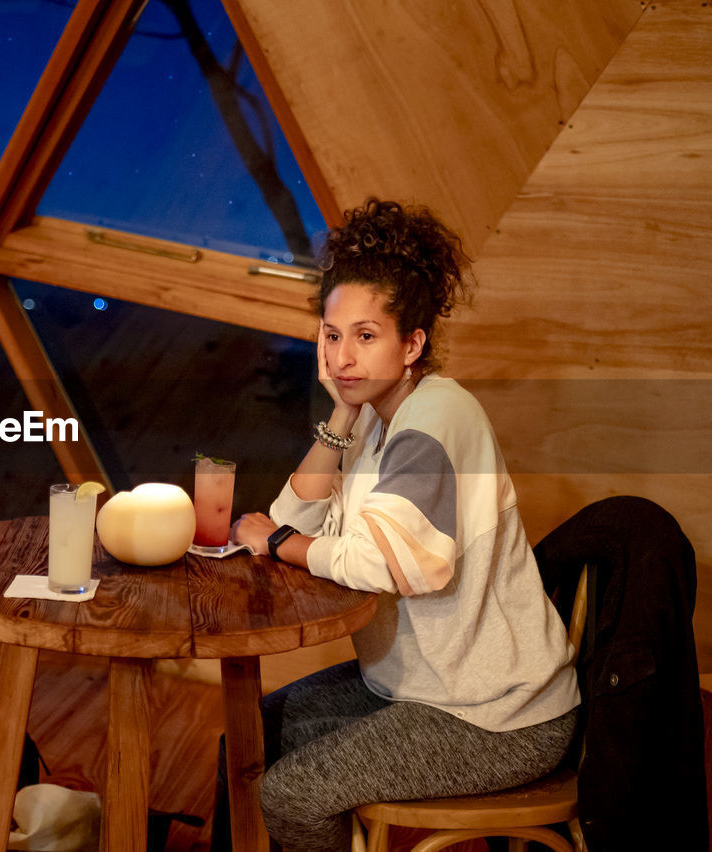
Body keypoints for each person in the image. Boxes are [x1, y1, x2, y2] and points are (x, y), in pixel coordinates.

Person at [226, 198, 580, 850]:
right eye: (333, 337)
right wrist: (338, 421)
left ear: (412, 342)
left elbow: (395, 564)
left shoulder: (435, 421)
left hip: (496, 716)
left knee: (292, 791)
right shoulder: (376, 418)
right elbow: (289, 516)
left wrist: (283, 545)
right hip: (417, 687)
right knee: (252, 734)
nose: (343, 357)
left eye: (366, 337)